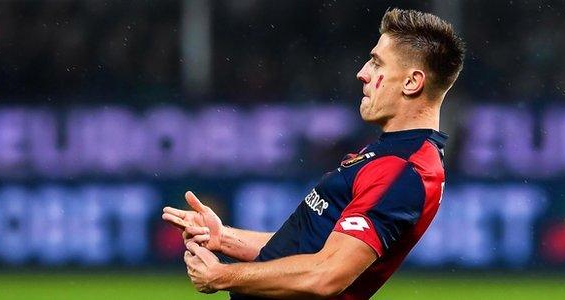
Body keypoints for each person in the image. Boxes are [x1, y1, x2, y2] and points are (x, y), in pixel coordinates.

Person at [162, 8, 465, 299]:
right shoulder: (392, 153)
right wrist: (224, 238)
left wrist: (221, 276)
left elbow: (327, 275)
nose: (362, 73)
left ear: (412, 82)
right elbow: (311, 250)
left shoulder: (404, 170)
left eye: (377, 63)